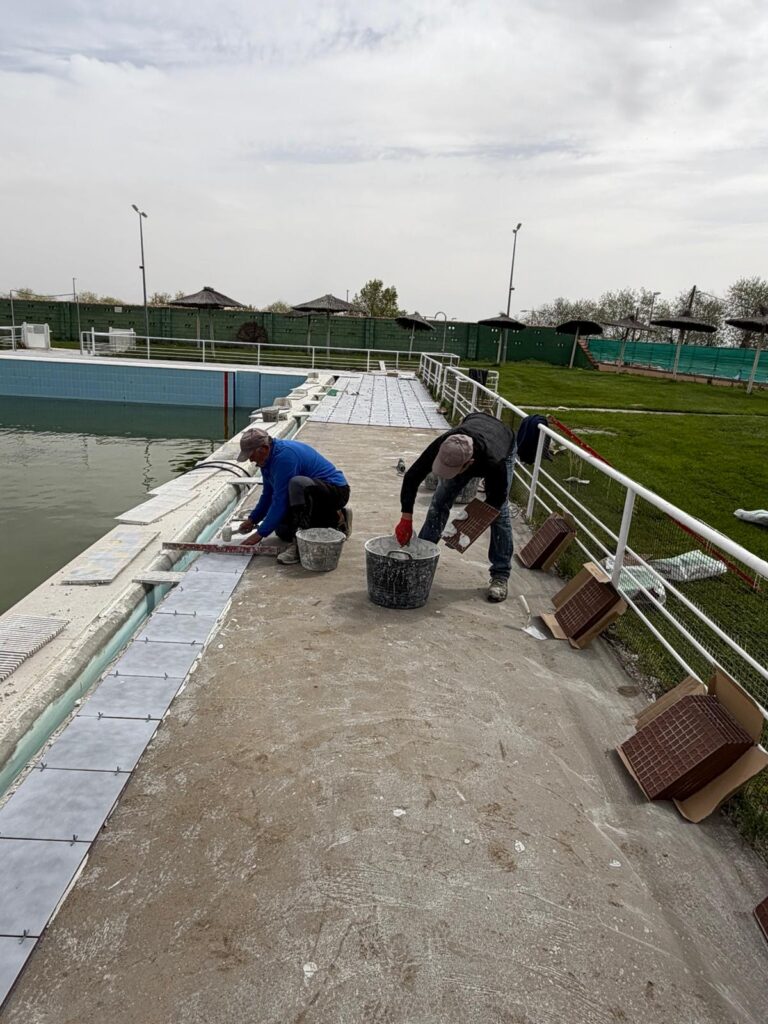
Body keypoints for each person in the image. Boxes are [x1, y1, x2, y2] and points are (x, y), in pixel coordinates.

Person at [393, 412, 516, 602]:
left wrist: (464, 531)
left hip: (502, 442)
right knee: (439, 501)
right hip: (474, 425)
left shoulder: (494, 462)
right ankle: (423, 555)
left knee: (500, 515)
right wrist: (406, 518)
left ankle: (500, 574)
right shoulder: (445, 445)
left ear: (469, 464)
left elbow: (496, 500)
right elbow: (412, 477)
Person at [236, 427, 351, 564]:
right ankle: (335, 519)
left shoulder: (285, 457)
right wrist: (253, 519)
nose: (250, 460)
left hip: (335, 491)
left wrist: (260, 534)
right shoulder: (267, 461)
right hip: (313, 495)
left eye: (251, 455)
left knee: (296, 484)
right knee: (282, 530)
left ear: (264, 448)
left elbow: (280, 500)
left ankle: (299, 545)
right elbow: (268, 494)